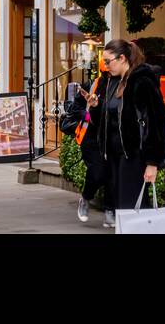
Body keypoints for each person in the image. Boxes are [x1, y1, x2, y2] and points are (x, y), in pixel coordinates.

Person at [83, 39, 165, 229]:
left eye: (108, 61)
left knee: (132, 209)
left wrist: (152, 163)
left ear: (122, 58)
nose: (105, 66)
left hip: (135, 156)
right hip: (115, 156)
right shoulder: (111, 83)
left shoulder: (142, 82)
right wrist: (97, 108)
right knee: (126, 213)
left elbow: (155, 123)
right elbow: (106, 121)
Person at [62, 68, 107, 223]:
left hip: (111, 136)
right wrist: (88, 114)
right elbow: (73, 108)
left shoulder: (123, 86)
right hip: (90, 137)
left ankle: (111, 210)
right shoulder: (92, 85)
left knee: (112, 173)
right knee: (97, 171)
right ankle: (86, 198)